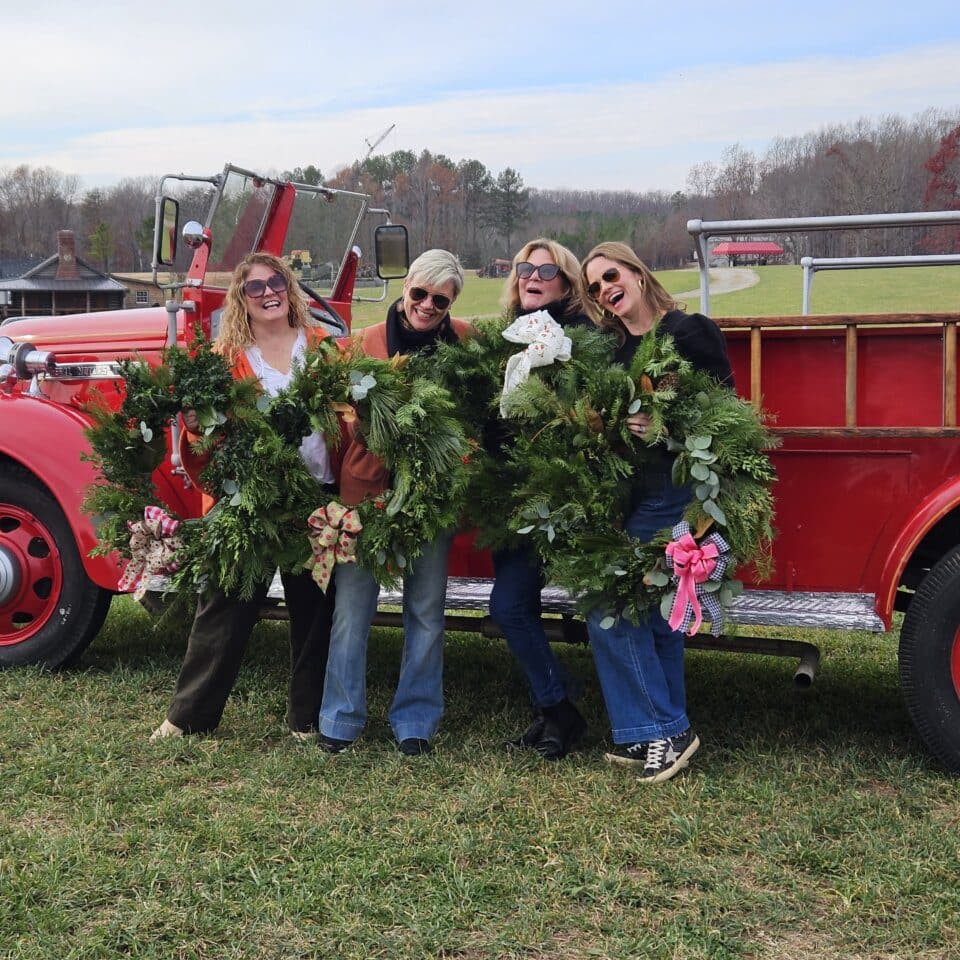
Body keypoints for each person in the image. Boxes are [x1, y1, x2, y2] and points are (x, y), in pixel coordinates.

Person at [151, 253, 336, 741]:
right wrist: (196, 429)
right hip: (248, 501)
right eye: (256, 287)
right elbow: (207, 440)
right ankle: (188, 717)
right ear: (242, 299)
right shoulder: (225, 358)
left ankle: (307, 719)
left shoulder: (323, 347)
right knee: (224, 605)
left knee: (315, 608)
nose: (269, 292)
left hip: (314, 495)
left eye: (276, 282)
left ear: (289, 287)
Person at [580, 241, 733, 783]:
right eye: (595, 287)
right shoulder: (616, 351)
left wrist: (666, 428)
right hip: (635, 492)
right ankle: (656, 733)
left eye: (611, 276)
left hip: (677, 489)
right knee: (654, 613)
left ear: (638, 273)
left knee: (610, 601)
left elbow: (727, 415)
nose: (605, 290)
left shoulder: (689, 333)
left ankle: (662, 729)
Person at [318, 249, 471, 757]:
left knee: (426, 610)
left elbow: (477, 414)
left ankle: (416, 719)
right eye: (419, 293)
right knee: (351, 608)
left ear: (451, 304)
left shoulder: (464, 343)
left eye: (440, 300)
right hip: (365, 494)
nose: (427, 306)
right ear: (406, 287)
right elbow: (334, 421)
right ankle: (340, 717)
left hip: (431, 497)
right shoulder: (360, 345)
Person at [490, 239, 592, 760]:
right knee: (517, 607)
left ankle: (560, 709)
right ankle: (550, 710)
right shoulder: (505, 338)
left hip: (556, 500)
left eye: (547, 270)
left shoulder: (580, 342)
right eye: (525, 268)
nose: (533, 276)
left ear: (567, 282)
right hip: (507, 499)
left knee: (507, 606)